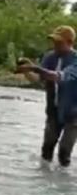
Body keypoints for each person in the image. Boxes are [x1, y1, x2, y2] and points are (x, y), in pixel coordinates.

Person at [16, 26, 77, 166]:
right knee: (46, 150)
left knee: (64, 152)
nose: (55, 45)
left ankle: (64, 184)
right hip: (53, 110)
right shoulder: (50, 57)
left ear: (70, 42)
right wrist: (25, 71)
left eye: (59, 42)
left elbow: (57, 77)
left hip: (72, 113)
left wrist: (34, 68)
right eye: (54, 41)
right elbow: (38, 79)